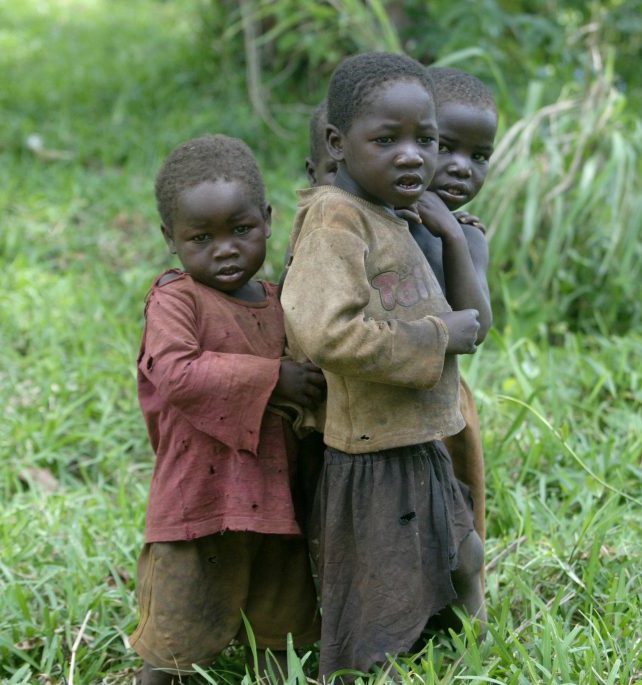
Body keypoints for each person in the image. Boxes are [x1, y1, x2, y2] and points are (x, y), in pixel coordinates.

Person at [280, 52, 487, 681]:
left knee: (461, 550)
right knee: (380, 578)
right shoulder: (333, 222)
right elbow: (329, 335)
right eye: (387, 139)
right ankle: (368, 665)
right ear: (339, 145)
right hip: (370, 450)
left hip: (413, 431)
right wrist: (435, 336)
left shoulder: (388, 212)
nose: (413, 156)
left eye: (425, 139)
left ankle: (457, 636)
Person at [131, 134, 325, 685]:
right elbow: (176, 373)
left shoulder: (279, 301)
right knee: (176, 635)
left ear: (267, 220)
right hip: (198, 500)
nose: (225, 249)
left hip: (275, 498)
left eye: (241, 230)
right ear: (171, 239)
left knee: (280, 627)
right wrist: (273, 379)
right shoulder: (175, 300)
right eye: (201, 237)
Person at [410, 66, 499, 562]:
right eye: (444, 147)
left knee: (452, 525)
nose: (462, 167)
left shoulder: (467, 236)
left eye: (479, 156)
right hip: (368, 399)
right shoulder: (374, 220)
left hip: (440, 405)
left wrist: (451, 236)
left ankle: (461, 623)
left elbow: (478, 325)